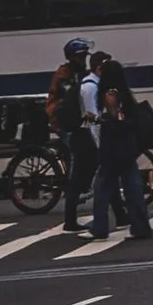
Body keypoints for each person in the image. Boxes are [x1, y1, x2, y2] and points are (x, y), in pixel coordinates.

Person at [90, 50, 153, 240]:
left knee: (102, 187)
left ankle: (100, 227)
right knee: (133, 186)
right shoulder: (125, 93)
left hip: (113, 146)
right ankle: (141, 227)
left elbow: (115, 118)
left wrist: (96, 118)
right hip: (128, 144)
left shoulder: (110, 93)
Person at [47, 38, 100, 233]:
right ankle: (70, 218)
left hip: (77, 123)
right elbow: (72, 100)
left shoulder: (80, 73)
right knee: (76, 168)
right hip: (66, 124)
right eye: (80, 56)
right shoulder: (65, 75)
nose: (83, 60)